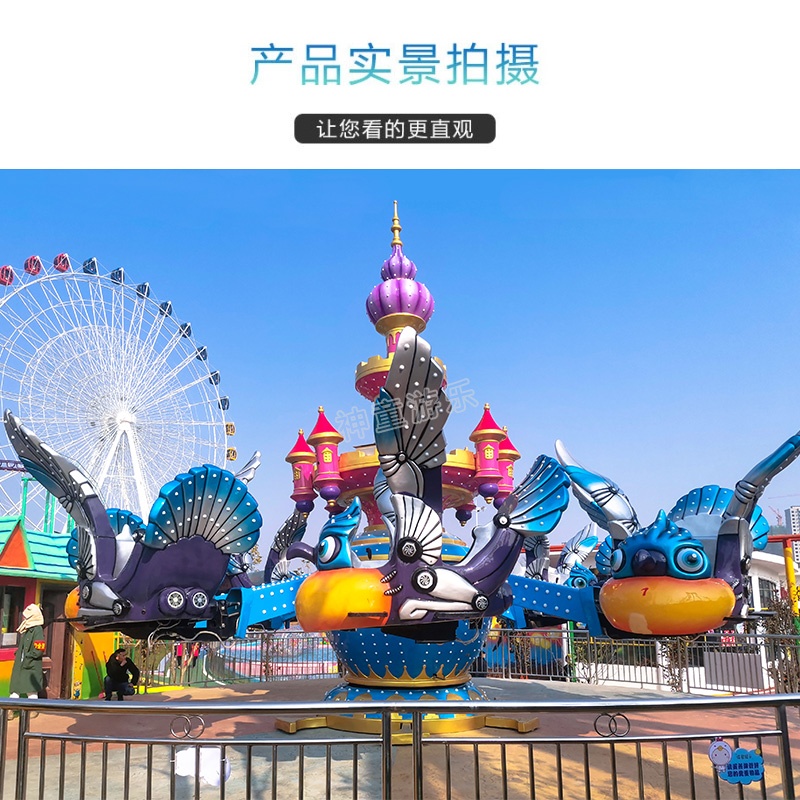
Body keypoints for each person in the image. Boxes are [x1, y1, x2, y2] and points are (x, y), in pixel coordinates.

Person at [9, 603, 46, 699]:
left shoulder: (37, 630)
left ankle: (31, 708)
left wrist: (28, 656)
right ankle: (11, 707)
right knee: (15, 690)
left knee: (31, 692)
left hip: (30, 665)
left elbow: (39, 650)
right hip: (22, 664)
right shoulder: (27, 629)